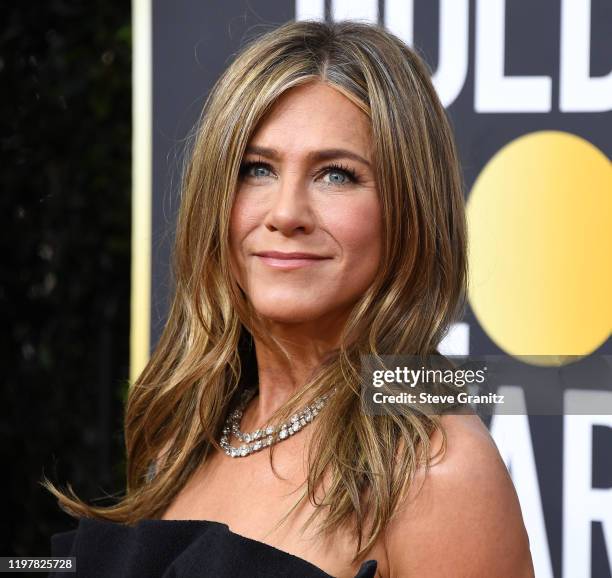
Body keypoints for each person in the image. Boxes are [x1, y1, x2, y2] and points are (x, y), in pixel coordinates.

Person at [43, 19, 534, 578]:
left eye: (336, 175)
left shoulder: (435, 470)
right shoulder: (186, 431)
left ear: (410, 211)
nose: (285, 214)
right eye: (257, 169)